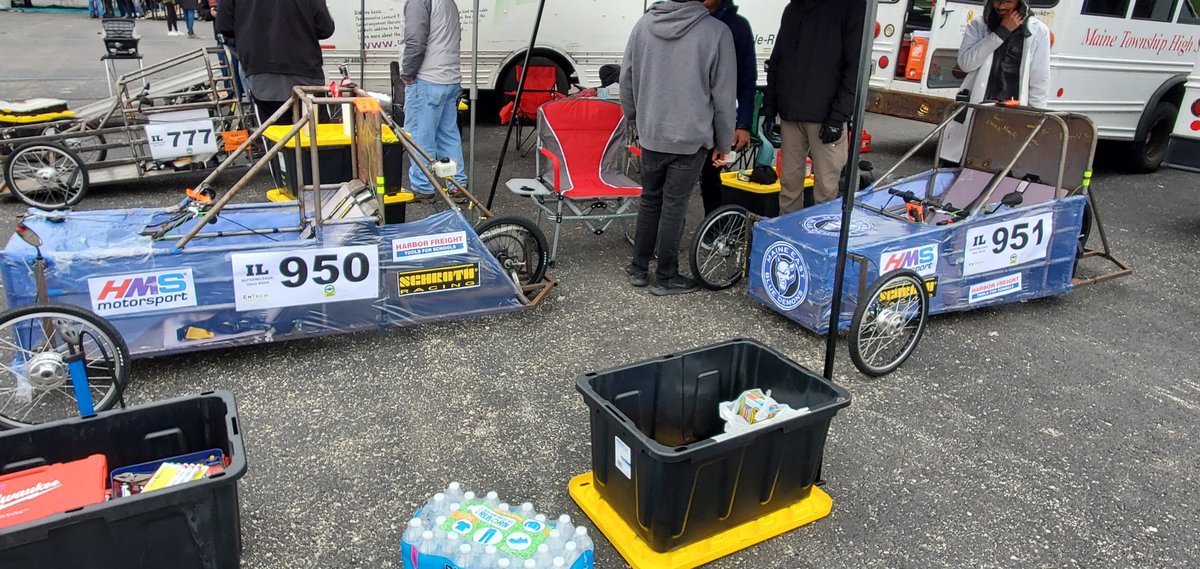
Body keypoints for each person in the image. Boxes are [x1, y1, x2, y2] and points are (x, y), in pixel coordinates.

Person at [621, 0, 735, 295]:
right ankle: (666, 277)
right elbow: (723, 97)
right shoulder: (716, 32)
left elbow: (627, 79)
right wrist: (724, 142)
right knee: (674, 206)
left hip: (651, 132)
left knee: (650, 200)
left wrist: (635, 119)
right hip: (690, 137)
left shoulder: (644, 24)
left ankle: (638, 268)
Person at [761, 0, 865, 214]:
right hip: (792, 112)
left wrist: (839, 117)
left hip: (827, 115)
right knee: (789, 185)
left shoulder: (852, 6)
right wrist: (770, 107)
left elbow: (855, 67)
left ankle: (821, 240)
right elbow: (777, 60)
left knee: (826, 190)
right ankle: (788, 240)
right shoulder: (793, 9)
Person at [940, 0, 1051, 164]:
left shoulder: (1038, 31)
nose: (1001, 6)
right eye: (996, 1)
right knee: (960, 164)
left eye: (1008, 1)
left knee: (1003, 167)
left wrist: (1036, 120)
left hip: (1013, 114)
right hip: (978, 108)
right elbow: (966, 63)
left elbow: (1039, 81)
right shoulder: (979, 25)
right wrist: (1000, 33)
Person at [217, 0, 334, 124]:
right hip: (305, 69)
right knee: (315, 135)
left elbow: (225, 26)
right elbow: (325, 28)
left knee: (273, 136)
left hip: (261, 69)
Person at [399, 0, 468, 202]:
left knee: (420, 136)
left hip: (427, 77)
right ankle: (457, 185)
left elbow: (415, 40)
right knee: (448, 134)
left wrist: (408, 73)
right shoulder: (448, 2)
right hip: (450, 77)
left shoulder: (419, 1)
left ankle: (423, 186)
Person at [697, 0, 755, 217]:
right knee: (674, 185)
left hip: (719, 117)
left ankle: (712, 231)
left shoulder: (737, 26)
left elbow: (747, 79)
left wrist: (743, 124)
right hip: (687, 116)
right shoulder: (685, 18)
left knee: (712, 178)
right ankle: (665, 238)